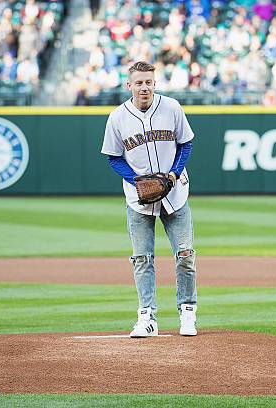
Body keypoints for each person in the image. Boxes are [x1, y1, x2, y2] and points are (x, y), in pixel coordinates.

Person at [101, 61, 197, 338]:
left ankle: (188, 312)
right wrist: (138, 181)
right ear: (128, 85)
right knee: (142, 258)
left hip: (176, 194)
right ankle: (147, 317)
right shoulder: (117, 117)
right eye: (139, 82)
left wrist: (174, 174)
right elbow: (114, 157)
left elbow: (186, 143)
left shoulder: (172, 108)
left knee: (186, 255)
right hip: (138, 199)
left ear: (155, 84)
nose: (144, 87)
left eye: (149, 82)